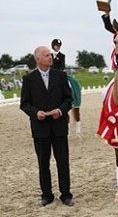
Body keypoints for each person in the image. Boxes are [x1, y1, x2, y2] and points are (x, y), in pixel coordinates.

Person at [20, 46, 74, 207]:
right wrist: (35, 113)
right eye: (46, 55)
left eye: (50, 55)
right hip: (40, 128)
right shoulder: (29, 79)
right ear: (38, 59)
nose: (50, 57)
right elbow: (24, 104)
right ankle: (47, 195)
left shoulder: (61, 76)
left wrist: (60, 110)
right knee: (43, 163)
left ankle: (66, 194)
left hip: (59, 127)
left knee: (62, 162)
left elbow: (68, 100)